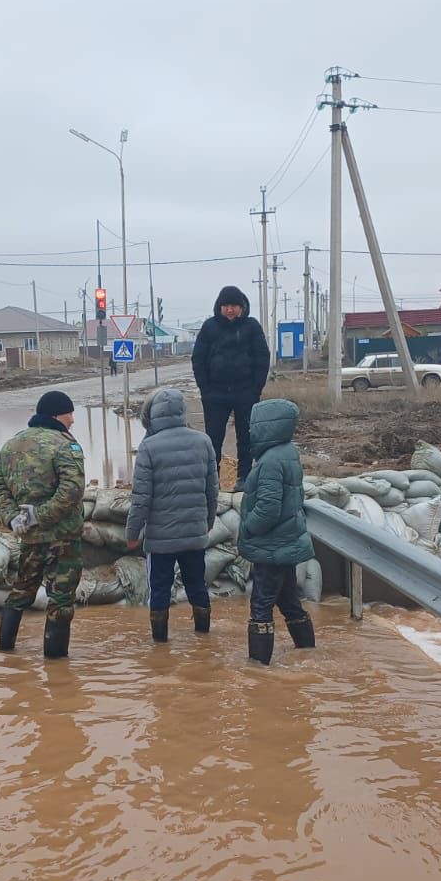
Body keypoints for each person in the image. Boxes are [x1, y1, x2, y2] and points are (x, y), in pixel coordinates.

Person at [0, 390, 85, 659]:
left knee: (21, 591)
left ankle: (5, 650)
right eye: (70, 413)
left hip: (28, 537)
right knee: (61, 599)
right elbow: (72, 491)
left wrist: (13, 517)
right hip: (62, 538)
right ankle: (56, 669)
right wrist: (40, 516)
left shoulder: (12, 444)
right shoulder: (65, 444)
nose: (72, 420)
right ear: (57, 415)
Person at [125, 387, 218, 643]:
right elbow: (212, 490)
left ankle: (160, 645)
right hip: (194, 535)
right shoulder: (204, 441)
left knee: (160, 590)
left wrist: (132, 533)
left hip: (160, 539)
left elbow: (141, 498)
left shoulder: (149, 447)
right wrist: (207, 524)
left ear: (152, 414)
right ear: (182, 411)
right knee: (197, 585)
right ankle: (203, 636)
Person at [236, 398, 315, 666]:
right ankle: (307, 653)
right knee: (290, 602)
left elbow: (269, 508)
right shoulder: (287, 451)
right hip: (285, 542)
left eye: (253, 425)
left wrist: (248, 527)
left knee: (261, 606)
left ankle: (258, 669)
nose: (249, 431)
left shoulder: (270, 461)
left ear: (266, 426)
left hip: (272, 545)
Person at [191, 284, 269, 490]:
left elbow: (262, 358)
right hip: (215, 394)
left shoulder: (252, 327)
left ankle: (244, 478)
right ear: (219, 307)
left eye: (234, 305)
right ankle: (212, 480)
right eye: (226, 305)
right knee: (213, 439)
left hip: (245, 392)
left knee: (246, 437)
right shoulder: (209, 327)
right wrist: (205, 390)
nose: (230, 309)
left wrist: (255, 389)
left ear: (242, 307)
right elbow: (198, 359)